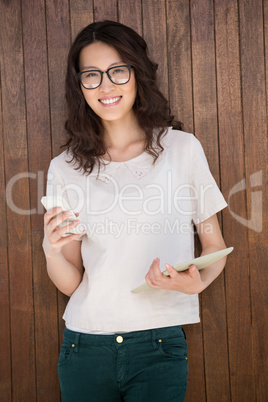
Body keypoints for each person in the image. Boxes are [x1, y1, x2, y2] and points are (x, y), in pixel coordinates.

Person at [42, 20, 228, 402]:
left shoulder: (182, 149)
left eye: (117, 71)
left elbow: (215, 248)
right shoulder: (64, 168)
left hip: (160, 345)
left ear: (137, 74)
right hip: (84, 347)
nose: (105, 86)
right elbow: (73, 282)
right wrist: (50, 250)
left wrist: (197, 283)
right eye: (91, 75)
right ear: (79, 86)